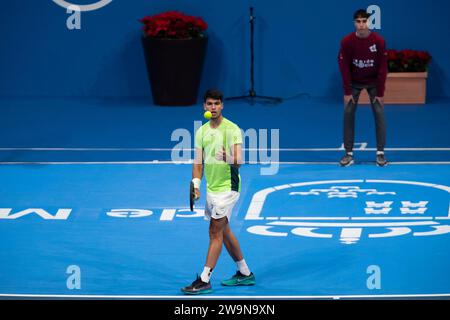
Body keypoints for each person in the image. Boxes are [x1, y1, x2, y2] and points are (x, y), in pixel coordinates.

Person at [181, 89, 255, 295]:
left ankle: (204, 279)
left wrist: (228, 157)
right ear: (204, 106)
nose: (213, 107)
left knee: (214, 231)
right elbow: (198, 162)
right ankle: (245, 273)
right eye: (209, 104)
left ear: (222, 105)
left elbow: (240, 161)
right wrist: (196, 184)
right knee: (224, 230)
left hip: (229, 188)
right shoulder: (201, 132)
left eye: (216, 104)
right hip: (212, 189)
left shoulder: (232, 129)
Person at [338, 8, 388, 167]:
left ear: (369, 22)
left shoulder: (378, 41)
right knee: (348, 113)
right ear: (354, 23)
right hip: (354, 82)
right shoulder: (347, 41)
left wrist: (380, 92)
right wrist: (347, 91)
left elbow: (383, 67)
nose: (361, 25)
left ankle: (380, 153)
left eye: (364, 21)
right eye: (358, 22)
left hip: (373, 82)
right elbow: (344, 66)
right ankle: (348, 153)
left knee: (379, 113)